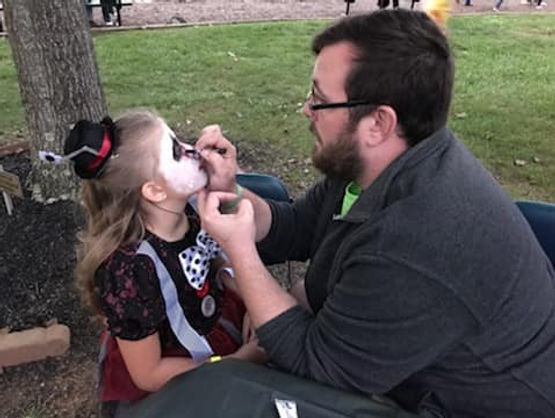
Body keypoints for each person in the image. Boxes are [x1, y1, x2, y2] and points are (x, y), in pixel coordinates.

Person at [195, 10, 555, 418]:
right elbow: (295, 228)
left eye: (320, 100)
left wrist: (239, 253)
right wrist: (231, 190)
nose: (307, 110)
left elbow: (317, 364)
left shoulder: (417, 236)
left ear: (379, 123)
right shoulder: (377, 163)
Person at [40, 109, 263, 417]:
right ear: (155, 191)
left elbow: (216, 264)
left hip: (217, 327)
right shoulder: (128, 270)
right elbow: (148, 373)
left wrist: (253, 304)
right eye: (175, 151)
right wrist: (237, 363)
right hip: (173, 375)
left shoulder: (193, 211)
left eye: (179, 140)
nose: (191, 149)